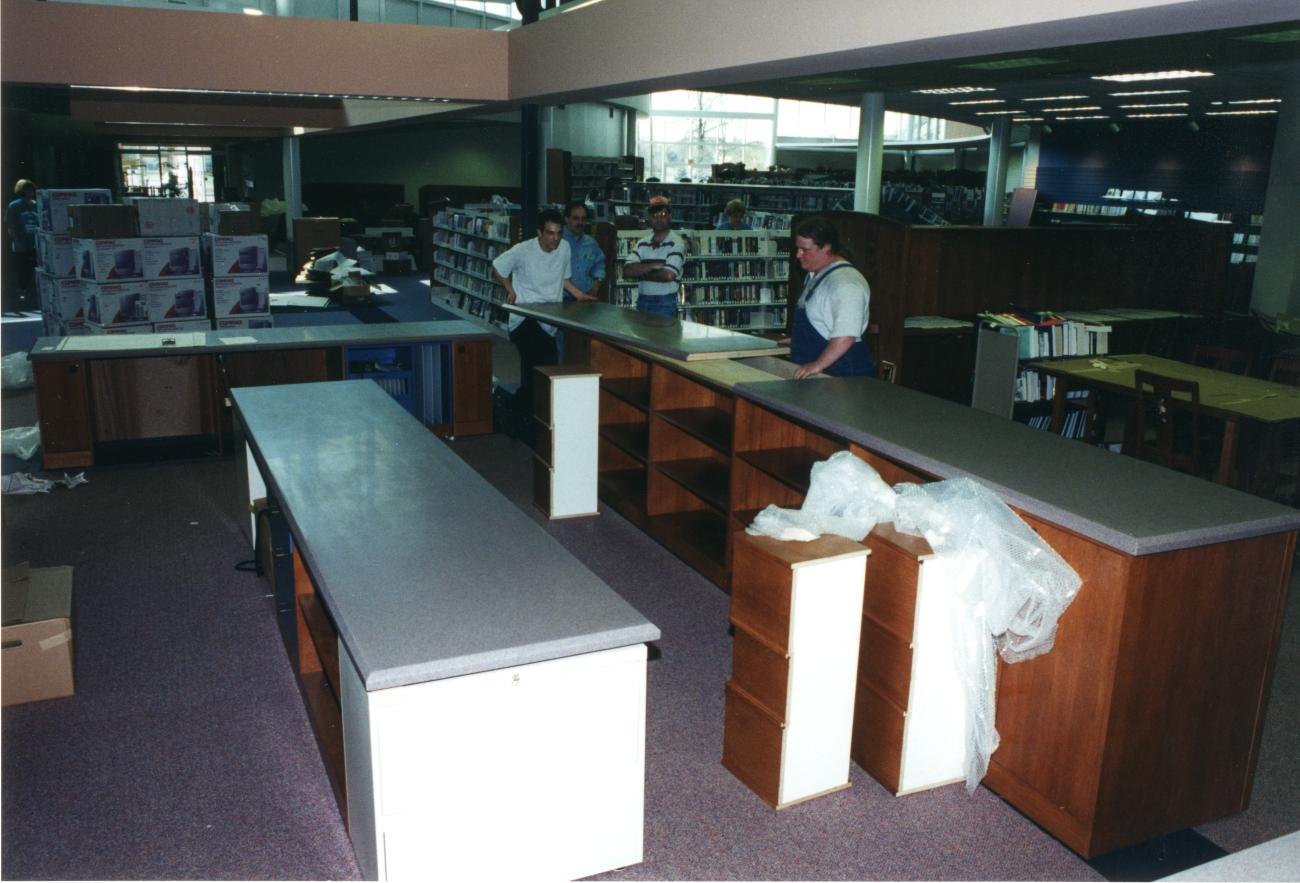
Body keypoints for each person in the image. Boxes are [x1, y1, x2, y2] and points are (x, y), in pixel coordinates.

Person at [492, 208, 594, 441]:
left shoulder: (565, 248)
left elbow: (564, 278)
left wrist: (579, 295)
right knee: (543, 366)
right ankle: (522, 417)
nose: (555, 239)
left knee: (536, 371)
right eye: (549, 233)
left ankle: (512, 407)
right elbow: (497, 266)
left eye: (558, 233)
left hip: (549, 320)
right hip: (524, 318)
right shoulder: (523, 250)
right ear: (539, 232)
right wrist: (510, 290)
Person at [789, 216, 876, 379]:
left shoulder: (846, 284)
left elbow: (846, 336)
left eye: (805, 250)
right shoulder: (816, 275)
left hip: (844, 377)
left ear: (826, 248)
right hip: (824, 375)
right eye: (798, 248)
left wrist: (817, 365)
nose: (798, 255)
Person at [622, 195, 683, 317]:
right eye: (655, 215)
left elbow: (668, 275)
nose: (659, 219)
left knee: (663, 337)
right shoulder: (642, 242)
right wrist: (654, 266)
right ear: (649, 218)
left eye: (664, 214)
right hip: (642, 302)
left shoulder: (677, 243)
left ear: (670, 217)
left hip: (665, 304)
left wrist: (641, 271)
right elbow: (626, 271)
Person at [561, 200, 606, 302]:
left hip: (586, 297)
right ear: (567, 219)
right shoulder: (557, 240)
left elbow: (599, 264)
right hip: (561, 298)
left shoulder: (591, 243)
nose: (580, 223)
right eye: (576, 218)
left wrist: (596, 285)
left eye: (583, 219)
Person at [5, 179, 38, 312]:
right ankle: (19, 298)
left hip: (35, 245)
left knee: (34, 272)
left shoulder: (36, 205)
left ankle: (32, 297)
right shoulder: (14, 206)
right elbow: (10, 227)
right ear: (22, 190)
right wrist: (17, 243)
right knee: (22, 272)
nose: (31, 192)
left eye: (32, 189)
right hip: (21, 245)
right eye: (28, 189)